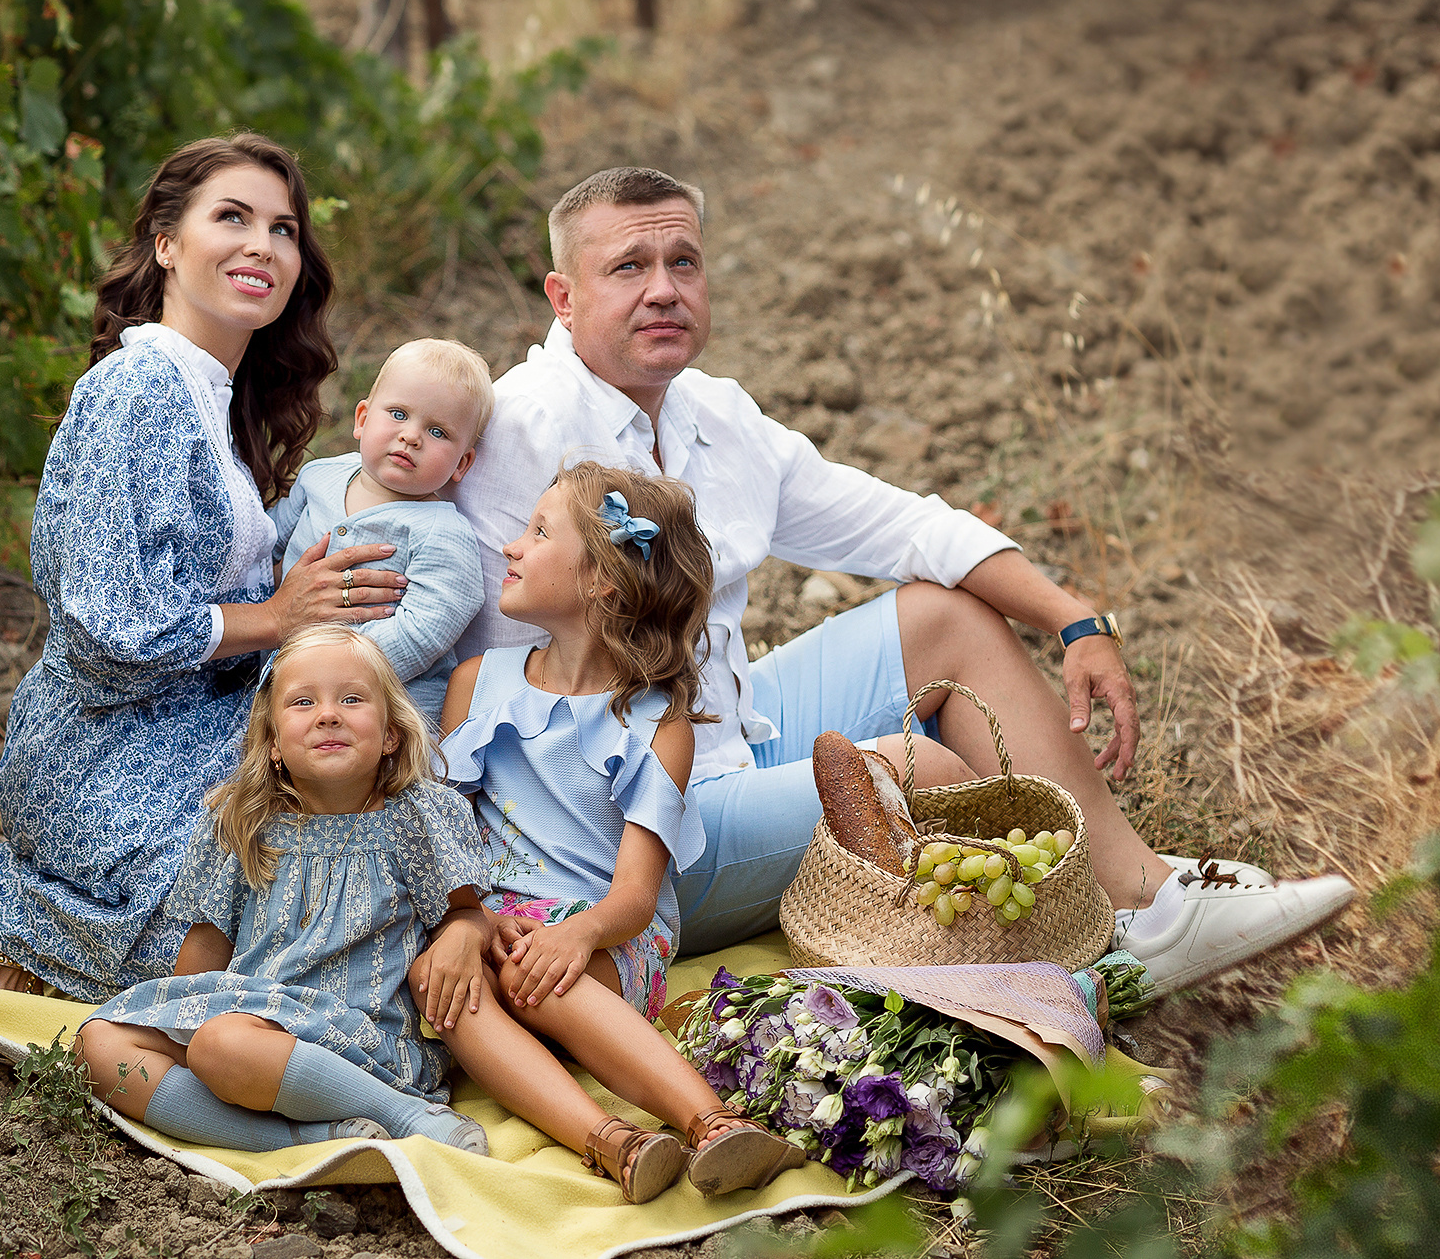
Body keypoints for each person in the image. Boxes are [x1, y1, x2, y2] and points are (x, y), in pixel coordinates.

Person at [447, 166, 1355, 996]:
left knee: (942, 617)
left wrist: (1075, 619)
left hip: (731, 730)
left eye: (683, 261)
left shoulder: (716, 415)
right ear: (563, 298)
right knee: (910, 767)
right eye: (628, 267)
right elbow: (451, 638)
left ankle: (1145, 893)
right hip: (624, 828)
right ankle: (1090, 952)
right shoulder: (519, 427)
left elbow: (907, 526)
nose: (663, 289)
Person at [0, 135, 412, 1000]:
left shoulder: (212, 396)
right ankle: (27, 912)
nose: (262, 246)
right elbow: (106, 625)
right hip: (108, 753)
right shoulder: (140, 387)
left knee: (373, 856)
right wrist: (277, 617)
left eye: (283, 229)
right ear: (167, 242)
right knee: (287, 932)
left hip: (204, 731)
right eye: (232, 217)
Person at [427, 464, 817, 1202]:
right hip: (495, 921)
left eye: (539, 531)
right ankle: (614, 1142)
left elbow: (637, 895)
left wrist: (577, 936)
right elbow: (443, 834)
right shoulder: (478, 683)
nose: (512, 546)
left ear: (603, 581)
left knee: (530, 978)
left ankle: (713, 1123)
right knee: (440, 981)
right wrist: (464, 919)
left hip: (606, 936)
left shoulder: (657, 724)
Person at [76, 627, 492, 1154]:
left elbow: (465, 914)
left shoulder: (417, 816)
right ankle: (314, 1137)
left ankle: (405, 1114)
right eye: (302, 702)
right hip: (247, 1023)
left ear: (391, 733)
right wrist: (178, 1023)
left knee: (221, 1044)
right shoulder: (242, 822)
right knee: (98, 1045)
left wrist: (465, 932)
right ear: (273, 743)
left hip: (357, 1039)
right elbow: (203, 955)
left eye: (352, 699)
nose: (328, 715)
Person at [269, 339, 493, 726]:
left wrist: (327, 673)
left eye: (438, 432)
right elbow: (267, 545)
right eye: (398, 414)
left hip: (389, 714)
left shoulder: (442, 533)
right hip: (287, 695)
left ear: (462, 463)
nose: (411, 436)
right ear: (362, 419)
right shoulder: (319, 477)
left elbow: (424, 632)